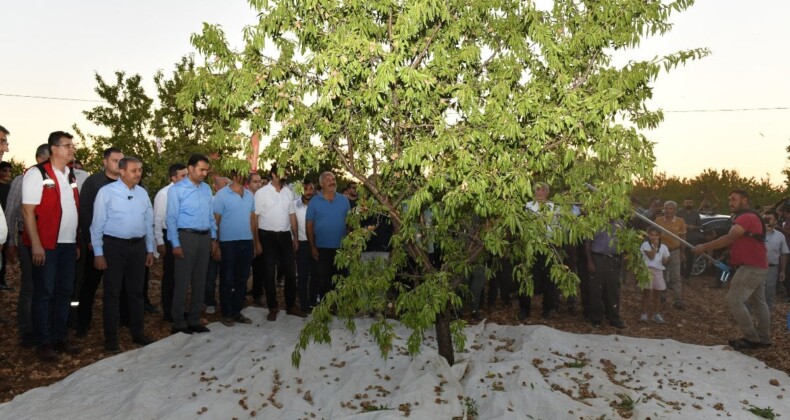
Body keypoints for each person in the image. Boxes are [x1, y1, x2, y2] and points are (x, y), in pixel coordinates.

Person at [22, 131, 81, 361]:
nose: (72, 149)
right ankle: (43, 341)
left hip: (68, 244)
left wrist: (75, 241)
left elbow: (72, 209)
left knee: (65, 292)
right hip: (45, 244)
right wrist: (36, 244)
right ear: (54, 149)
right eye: (67, 145)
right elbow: (27, 212)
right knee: (44, 293)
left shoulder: (71, 175)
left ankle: (59, 337)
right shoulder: (36, 174)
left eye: (72, 145)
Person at [90, 157, 155, 352]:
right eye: (134, 170)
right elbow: (97, 225)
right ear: (122, 171)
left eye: (140, 170)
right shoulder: (106, 193)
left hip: (137, 248)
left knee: (136, 293)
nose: (138, 174)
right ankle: (111, 338)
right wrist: (98, 253)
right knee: (112, 293)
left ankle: (138, 333)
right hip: (113, 247)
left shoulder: (142, 193)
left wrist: (149, 248)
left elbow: (148, 223)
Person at [693, 190, 771, 350]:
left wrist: (704, 247)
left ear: (745, 200)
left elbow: (730, 238)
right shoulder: (748, 217)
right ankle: (764, 339)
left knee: (734, 301)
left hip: (750, 267)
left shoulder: (746, 217)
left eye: (734, 199)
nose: (730, 202)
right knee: (759, 303)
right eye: (729, 199)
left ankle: (752, 339)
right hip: (758, 266)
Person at [75, 147, 124, 337]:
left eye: (121, 160)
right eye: (114, 160)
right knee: (89, 284)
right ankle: (82, 323)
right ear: (105, 162)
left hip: (119, 243)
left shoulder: (126, 181)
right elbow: (85, 211)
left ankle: (121, 320)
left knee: (120, 285)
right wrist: (89, 240)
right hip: (97, 242)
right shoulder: (93, 182)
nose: (118, 164)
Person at [166, 154, 217, 335]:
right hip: (186, 237)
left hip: (204, 237)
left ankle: (194, 320)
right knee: (182, 281)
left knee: (200, 280)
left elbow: (210, 215)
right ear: (190, 168)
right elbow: (171, 219)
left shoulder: (206, 189)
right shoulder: (176, 190)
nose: (204, 173)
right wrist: (175, 244)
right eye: (201, 169)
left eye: (206, 170)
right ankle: (178, 322)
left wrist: (213, 237)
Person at [6, 144, 50, 348]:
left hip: (52, 242)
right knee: (30, 286)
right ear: (40, 159)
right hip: (27, 241)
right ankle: (26, 330)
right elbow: (12, 213)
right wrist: (11, 242)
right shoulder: (21, 180)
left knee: (48, 285)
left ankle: (45, 325)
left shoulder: (59, 179)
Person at [254, 165, 304, 320]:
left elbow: (292, 216)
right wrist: (256, 242)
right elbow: (254, 218)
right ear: (273, 174)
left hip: (285, 237)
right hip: (266, 237)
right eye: (282, 172)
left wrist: (295, 237)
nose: (285, 175)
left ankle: (291, 306)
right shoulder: (261, 193)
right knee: (269, 273)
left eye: (286, 172)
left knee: (290, 272)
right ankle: (273, 307)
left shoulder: (288, 192)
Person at [213, 172, 259, 326]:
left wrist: (255, 242)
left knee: (242, 279)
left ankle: (236, 311)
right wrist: (215, 243)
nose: (243, 176)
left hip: (246, 242)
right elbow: (216, 221)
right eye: (240, 173)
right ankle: (226, 313)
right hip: (227, 243)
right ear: (233, 175)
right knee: (227, 278)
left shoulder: (249, 195)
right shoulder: (221, 195)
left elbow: (253, 219)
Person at [306, 172, 350, 302]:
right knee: (323, 281)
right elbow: (309, 225)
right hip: (321, 248)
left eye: (334, 179)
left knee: (340, 279)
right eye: (328, 179)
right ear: (321, 184)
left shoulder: (344, 200)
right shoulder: (314, 201)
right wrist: (312, 246)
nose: (332, 181)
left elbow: (349, 223)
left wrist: (349, 244)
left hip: (341, 248)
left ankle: (339, 306)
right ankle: (326, 308)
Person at [518, 182, 559, 320]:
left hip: (547, 246)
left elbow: (556, 228)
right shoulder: (528, 206)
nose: (539, 193)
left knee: (549, 279)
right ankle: (524, 309)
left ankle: (547, 309)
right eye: (537, 191)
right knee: (528, 277)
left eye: (541, 191)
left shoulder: (553, 207)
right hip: (532, 246)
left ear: (547, 193)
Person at [153, 163, 187, 322]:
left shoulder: (188, 192)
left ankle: (179, 309)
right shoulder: (164, 194)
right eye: (182, 176)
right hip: (169, 237)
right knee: (171, 276)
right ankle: (168, 312)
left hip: (184, 236)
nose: (186, 178)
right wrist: (159, 241)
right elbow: (158, 219)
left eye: (187, 175)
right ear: (173, 177)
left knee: (182, 275)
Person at [585, 219, 626, 329]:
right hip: (597, 258)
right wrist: (589, 261)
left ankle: (614, 318)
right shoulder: (595, 222)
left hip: (614, 260)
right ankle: (596, 318)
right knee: (596, 289)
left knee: (613, 289)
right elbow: (587, 243)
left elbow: (625, 242)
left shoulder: (621, 224)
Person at [204, 175, 231, 315]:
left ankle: (226, 302)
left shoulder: (233, 200)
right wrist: (214, 243)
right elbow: (212, 223)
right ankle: (209, 302)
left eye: (228, 184)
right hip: (214, 243)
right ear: (215, 187)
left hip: (229, 244)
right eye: (223, 185)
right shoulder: (211, 201)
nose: (227, 187)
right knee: (210, 276)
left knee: (227, 276)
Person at [655, 200, 686, 310]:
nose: (668, 211)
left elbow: (683, 238)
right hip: (661, 252)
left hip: (674, 251)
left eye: (670, 209)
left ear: (675, 210)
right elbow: (654, 236)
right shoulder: (658, 220)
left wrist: (682, 252)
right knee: (661, 275)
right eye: (666, 208)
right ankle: (662, 296)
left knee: (675, 276)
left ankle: (677, 299)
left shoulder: (680, 221)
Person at [294, 179, 318, 312]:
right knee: (302, 275)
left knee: (315, 275)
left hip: (316, 244)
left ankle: (313, 302)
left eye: (311, 188)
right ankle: (304, 304)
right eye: (306, 188)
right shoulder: (295, 205)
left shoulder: (318, 204)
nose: (309, 191)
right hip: (302, 244)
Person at [639, 226, 670, 324]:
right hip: (647, 271)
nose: (654, 237)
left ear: (660, 236)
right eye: (651, 235)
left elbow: (665, 260)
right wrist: (655, 247)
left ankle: (656, 314)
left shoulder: (664, 247)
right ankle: (644, 314)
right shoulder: (645, 245)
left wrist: (665, 260)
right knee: (646, 293)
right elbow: (651, 257)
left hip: (658, 272)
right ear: (648, 235)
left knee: (657, 294)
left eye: (656, 235)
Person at [247, 171, 267, 307]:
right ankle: (240, 294)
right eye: (255, 181)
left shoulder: (264, 197)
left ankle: (257, 294)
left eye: (260, 181)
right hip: (245, 236)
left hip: (261, 235)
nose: (259, 184)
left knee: (260, 268)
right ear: (248, 184)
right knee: (243, 269)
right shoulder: (244, 197)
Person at [762, 211, 788, 309]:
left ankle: (766, 320)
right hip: (755, 268)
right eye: (765, 219)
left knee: (769, 294)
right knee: (751, 294)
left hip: (772, 269)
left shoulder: (780, 236)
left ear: (775, 221)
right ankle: (748, 320)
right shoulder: (756, 234)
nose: (767, 221)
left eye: (770, 219)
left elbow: (784, 253)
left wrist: (783, 271)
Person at [677, 197, 702, 280]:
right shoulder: (679, 213)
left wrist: (692, 227)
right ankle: (680, 275)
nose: (688, 204)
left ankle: (686, 277)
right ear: (684, 203)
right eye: (687, 202)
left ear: (692, 203)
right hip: (680, 238)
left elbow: (700, 226)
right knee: (679, 257)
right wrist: (683, 226)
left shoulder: (696, 213)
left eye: (690, 203)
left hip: (692, 238)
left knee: (690, 258)